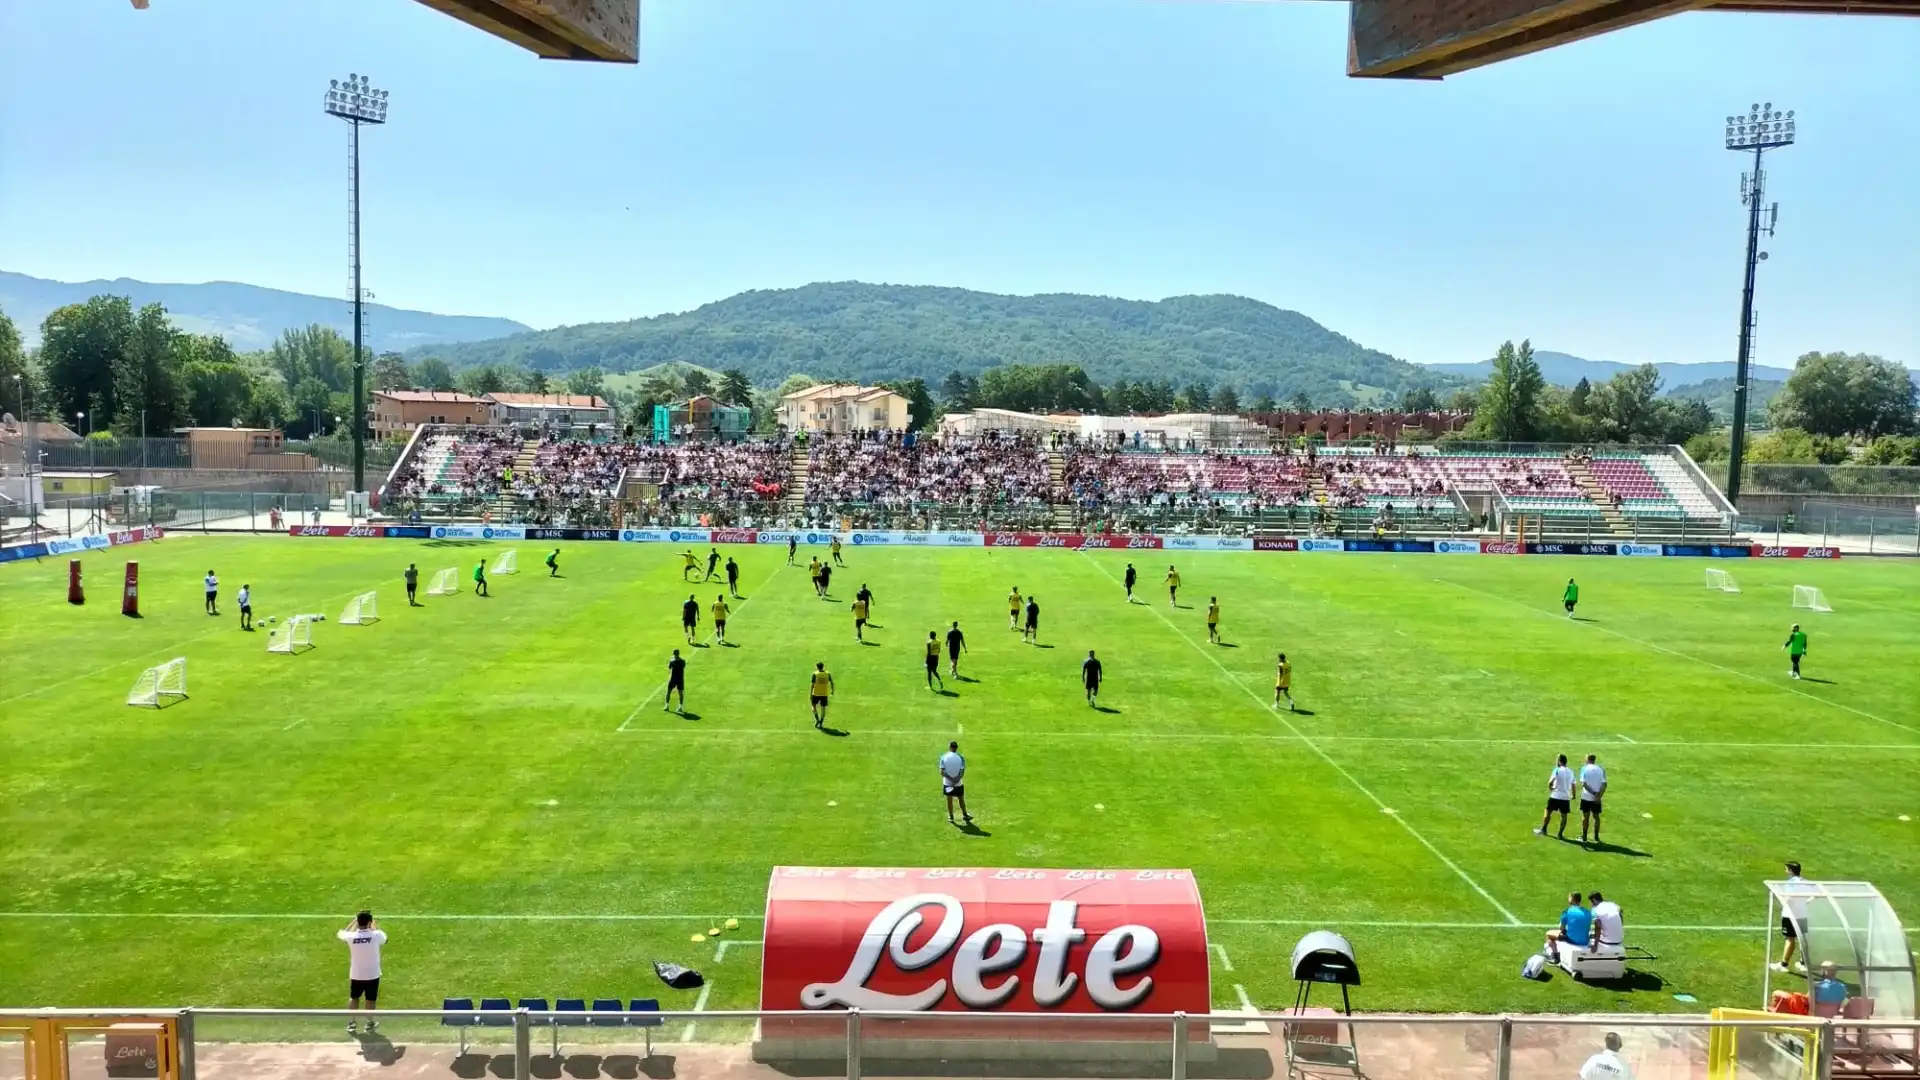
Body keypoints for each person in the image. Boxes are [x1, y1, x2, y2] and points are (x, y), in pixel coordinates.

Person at [337, 910, 387, 1035]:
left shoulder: (351, 936)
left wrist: (354, 921)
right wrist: (373, 925)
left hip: (356, 974)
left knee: (354, 998)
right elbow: (384, 939)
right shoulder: (377, 935)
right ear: (370, 922)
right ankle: (369, 1024)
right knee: (370, 999)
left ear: (358, 922)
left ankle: (352, 1023)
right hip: (372, 974)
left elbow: (341, 933)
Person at [1776, 860, 1810, 973]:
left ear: (1790, 870)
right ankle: (1803, 963)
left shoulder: (1791, 883)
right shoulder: (1805, 881)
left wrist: (1785, 903)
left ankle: (1783, 964)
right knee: (1802, 939)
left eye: (1786, 869)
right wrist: (1805, 902)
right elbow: (1817, 894)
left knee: (1790, 939)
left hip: (1790, 915)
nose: (1785, 871)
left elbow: (1789, 898)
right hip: (1802, 914)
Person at [1536, 754, 1575, 839]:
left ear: (1559, 761)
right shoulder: (1571, 771)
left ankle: (1544, 829)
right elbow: (1573, 784)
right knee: (1564, 816)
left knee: (1548, 811)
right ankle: (1560, 834)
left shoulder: (1557, 770)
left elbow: (1550, 782)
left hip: (1555, 796)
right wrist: (1573, 795)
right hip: (1565, 797)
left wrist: (1551, 787)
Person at [1545, 891, 1592, 956]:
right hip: (1585, 941)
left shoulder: (1567, 911)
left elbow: (1561, 928)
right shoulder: (1588, 912)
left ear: (1571, 899)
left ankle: (1555, 956)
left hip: (1572, 940)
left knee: (1549, 934)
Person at [939, 740, 972, 825]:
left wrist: (951, 779)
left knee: (949, 800)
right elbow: (962, 771)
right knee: (961, 798)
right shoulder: (961, 757)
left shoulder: (943, 757)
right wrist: (956, 779)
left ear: (949, 747)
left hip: (947, 783)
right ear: (956, 748)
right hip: (958, 783)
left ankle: (951, 816)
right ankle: (965, 814)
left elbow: (942, 772)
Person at [1578, 753, 1607, 844]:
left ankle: (1584, 837)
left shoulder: (1584, 768)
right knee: (1596, 817)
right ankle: (1596, 837)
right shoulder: (1601, 769)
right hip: (1597, 799)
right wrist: (1598, 796)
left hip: (1586, 797)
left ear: (1587, 759)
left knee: (1585, 816)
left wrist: (1593, 793)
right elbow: (1604, 784)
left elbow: (1584, 784)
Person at [809, 662, 835, 729]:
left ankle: (817, 719)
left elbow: (812, 685)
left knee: (813, 706)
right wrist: (832, 690)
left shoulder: (815, 674)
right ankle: (821, 723)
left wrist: (810, 694)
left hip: (816, 693)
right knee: (823, 709)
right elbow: (831, 682)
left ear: (817, 667)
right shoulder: (827, 674)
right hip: (824, 694)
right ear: (823, 666)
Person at [663, 648, 687, 713]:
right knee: (680, 693)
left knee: (669, 692)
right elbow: (683, 666)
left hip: (673, 679)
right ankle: (680, 707)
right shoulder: (683, 661)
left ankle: (667, 706)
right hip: (680, 679)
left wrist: (670, 661)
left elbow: (669, 667)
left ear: (674, 654)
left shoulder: (672, 661)